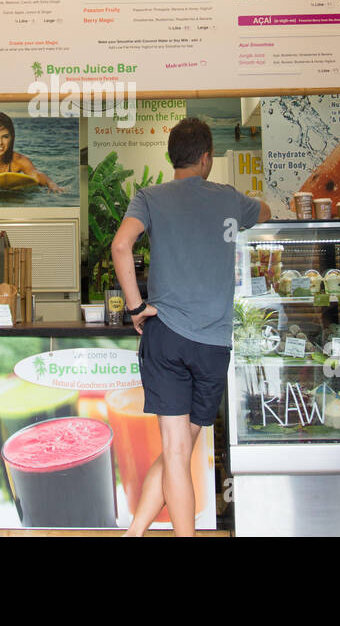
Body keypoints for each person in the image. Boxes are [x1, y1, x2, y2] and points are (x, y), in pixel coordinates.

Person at [111, 117, 270, 536]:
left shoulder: (149, 197)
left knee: (175, 453)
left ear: (171, 158)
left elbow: (121, 244)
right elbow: (267, 213)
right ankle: (138, 532)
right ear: (206, 158)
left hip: (166, 336)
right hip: (213, 345)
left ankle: (134, 532)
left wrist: (135, 307)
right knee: (180, 451)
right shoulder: (229, 199)